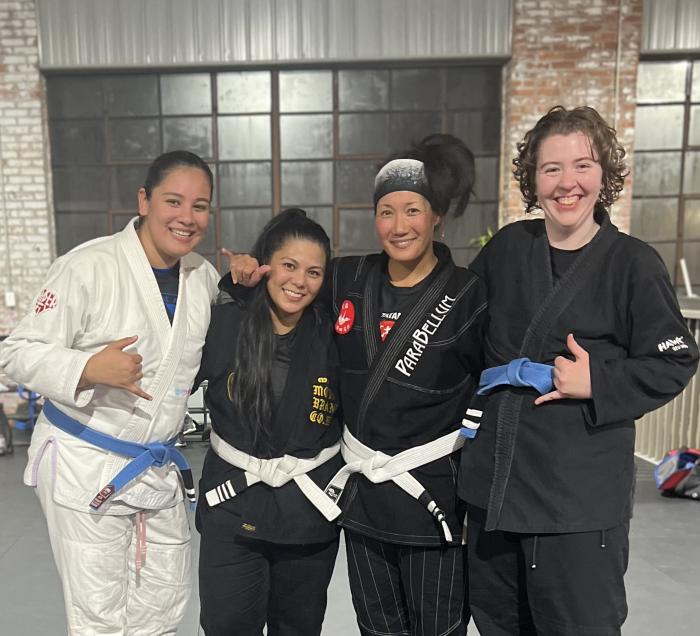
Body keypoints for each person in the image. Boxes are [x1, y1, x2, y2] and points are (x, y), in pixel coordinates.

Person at [228, 134, 487, 636]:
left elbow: (489, 386)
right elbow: (290, 291)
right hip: (364, 498)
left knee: (439, 628)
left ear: (436, 215)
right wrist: (243, 277)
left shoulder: (467, 294)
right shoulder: (349, 277)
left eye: (412, 211)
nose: (398, 226)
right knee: (377, 628)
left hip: (433, 499)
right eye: (386, 212)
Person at [458, 105, 700, 635]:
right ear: (533, 179)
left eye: (583, 165)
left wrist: (599, 381)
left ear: (604, 173)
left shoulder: (633, 263)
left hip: (577, 504)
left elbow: (676, 357)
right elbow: (456, 329)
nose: (567, 183)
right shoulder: (507, 248)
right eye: (551, 169)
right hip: (495, 493)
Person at [0, 150, 219, 634]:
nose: (186, 217)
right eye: (173, 201)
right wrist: (86, 368)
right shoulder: (87, 266)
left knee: (164, 610)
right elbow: (16, 352)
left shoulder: (203, 278)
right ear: (144, 201)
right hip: (86, 463)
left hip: (156, 468)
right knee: (100, 619)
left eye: (200, 205)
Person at [195, 208, 343, 636]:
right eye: (289, 266)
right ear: (266, 266)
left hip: (308, 513)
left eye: (314, 272)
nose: (299, 281)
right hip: (232, 508)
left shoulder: (335, 335)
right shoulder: (226, 324)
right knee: (226, 627)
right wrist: (234, 288)